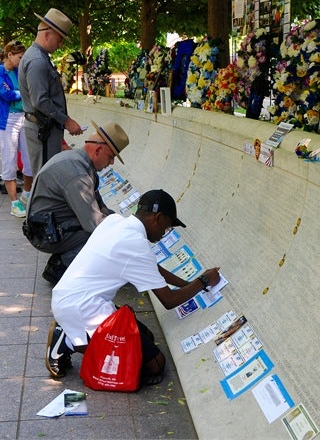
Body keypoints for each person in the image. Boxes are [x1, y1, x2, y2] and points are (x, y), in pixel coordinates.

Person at [46, 189, 221, 385]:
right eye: (168, 226)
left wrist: (188, 284)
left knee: (146, 336)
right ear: (158, 217)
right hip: (83, 309)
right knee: (155, 365)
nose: (165, 232)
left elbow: (152, 268)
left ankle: (73, 332)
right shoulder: (136, 243)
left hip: (70, 298)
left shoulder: (115, 221)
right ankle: (70, 341)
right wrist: (204, 282)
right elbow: (169, 301)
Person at [22, 120, 129, 285]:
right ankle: (61, 266)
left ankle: (65, 258)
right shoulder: (76, 173)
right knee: (101, 233)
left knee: (110, 225)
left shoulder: (79, 162)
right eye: (111, 157)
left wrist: (123, 225)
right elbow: (94, 223)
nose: (111, 163)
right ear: (98, 150)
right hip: (44, 234)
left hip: (51, 225)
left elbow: (101, 208)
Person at [18, 8, 83, 177]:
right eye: (60, 39)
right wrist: (67, 121)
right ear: (47, 34)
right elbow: (40, 100)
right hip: (43, 130)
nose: (60, 45)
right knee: (45, 180)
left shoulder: (37, 56)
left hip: (44, 129)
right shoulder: (37, 60)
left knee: (46, 177)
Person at [0, 41, 33, 217]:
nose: (22, 60)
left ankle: (26, 195)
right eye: (20, 57)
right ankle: (14, 203)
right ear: (10, 55)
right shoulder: (0, 72)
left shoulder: (20, 71)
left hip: (24, 118)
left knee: (29, 160)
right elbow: (7, 95)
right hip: (7, 122)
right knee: (9, 161)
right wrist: (24, 93)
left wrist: (20, 93)